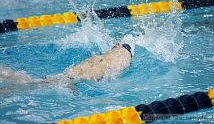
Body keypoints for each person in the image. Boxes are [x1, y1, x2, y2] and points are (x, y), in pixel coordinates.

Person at [0, 43, 132, 84]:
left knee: (30, 81)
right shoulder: (121, 58)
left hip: (72, 73)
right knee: (30, 83)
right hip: (76, 78)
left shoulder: (109, 55)